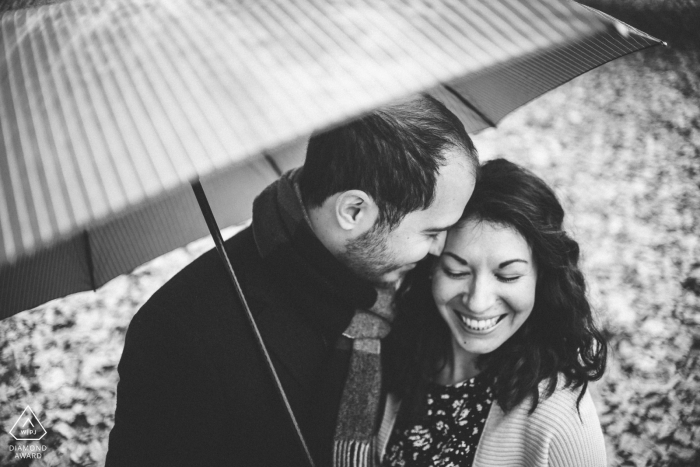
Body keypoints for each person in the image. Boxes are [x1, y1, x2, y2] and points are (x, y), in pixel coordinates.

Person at [105, 95, 479, 467]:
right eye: (432, 232)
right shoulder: (180, 334)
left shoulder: (401, 283)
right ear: (353, 211)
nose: (440, 250)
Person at [379, 158, 608, 467]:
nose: (477, 302)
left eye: (508, 276)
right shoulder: (393, 347)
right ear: (431, 269)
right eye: (456, 271)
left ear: (543, 278)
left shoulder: (561, 417)